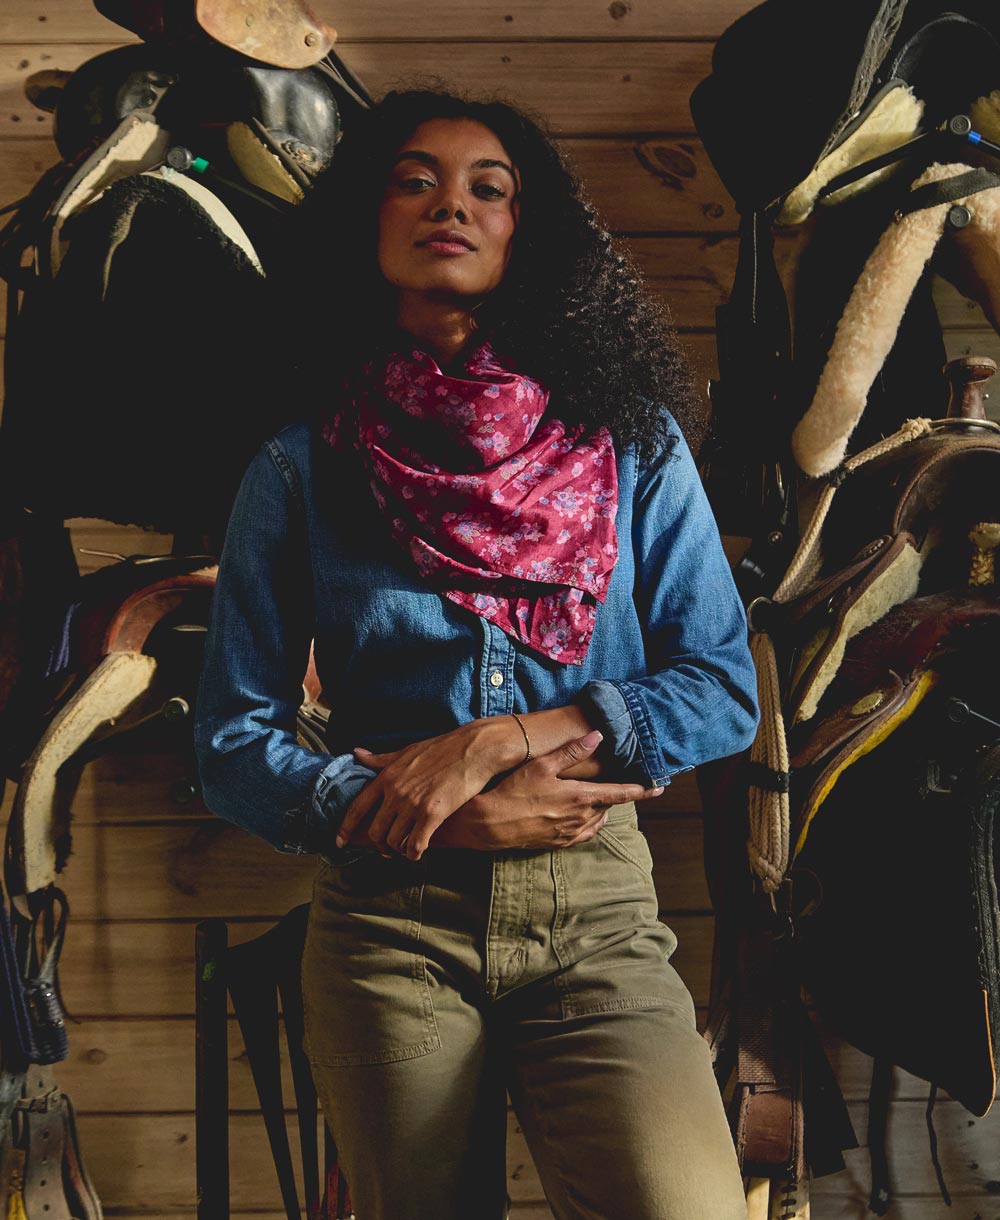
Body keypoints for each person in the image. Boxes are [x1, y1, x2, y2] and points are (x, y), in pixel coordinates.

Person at [194, 85, 759, 1220]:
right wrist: (436, 812)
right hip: (389, 921)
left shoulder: (631, 443)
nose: (449, 203)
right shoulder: (301, 464)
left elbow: (720, 687)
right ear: (368, 221)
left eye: (487, 188)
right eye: (414, 179)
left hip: (594, 915)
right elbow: (231, 744)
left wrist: (500, 737)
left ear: (523, 231)